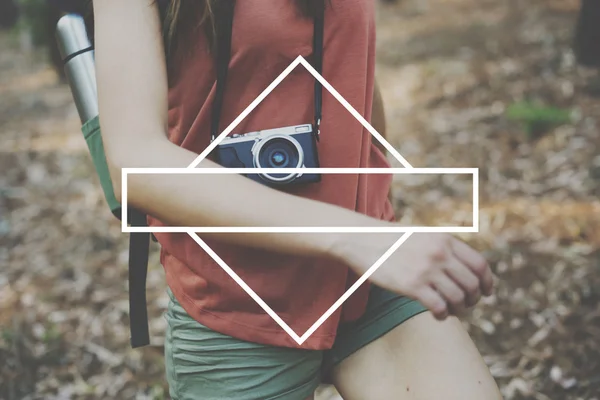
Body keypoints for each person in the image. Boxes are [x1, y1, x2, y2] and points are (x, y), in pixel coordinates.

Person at [92, 1, 503, 399]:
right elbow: (136, 161)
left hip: (366, 279)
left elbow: (353, 59)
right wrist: (357, 236)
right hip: (238, 302)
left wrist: (377, 210)